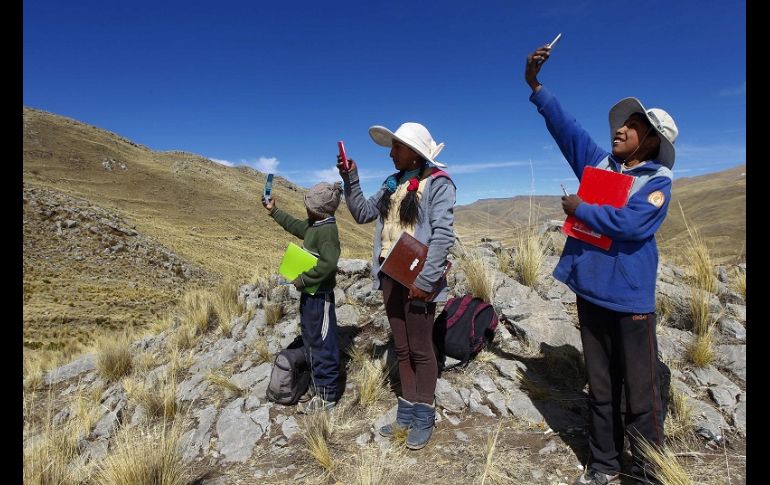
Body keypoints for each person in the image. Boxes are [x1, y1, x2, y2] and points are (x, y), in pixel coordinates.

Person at [525, 43, 679, 485]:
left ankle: (649, 471)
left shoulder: (657, 183)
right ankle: (605, 464)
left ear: (651, 140)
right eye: (622, 125)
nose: (620, 131)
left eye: (632, 127)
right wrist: (535, 86)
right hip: (591, 292)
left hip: (630, 300)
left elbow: (631, 225)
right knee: (601, 386)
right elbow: (566, 129)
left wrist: (579, 209)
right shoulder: (601, 166)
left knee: (642, 392)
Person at [337, 122, 455, 450]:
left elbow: (443, 234)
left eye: (397, 148)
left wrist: (427, 280)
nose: (391, 154)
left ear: (415, 153)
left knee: (420, 346)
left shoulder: (439, 184)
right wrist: (351, 178)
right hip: (391, 274)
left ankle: (424, 414)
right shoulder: (391, 185)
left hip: (419, 278)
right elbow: (361, 213)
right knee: (401, 346)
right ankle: (406, 412)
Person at [262, 181, 343, 413]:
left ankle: (327, 395)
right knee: (311, 338)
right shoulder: (316, 225)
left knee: (323, 343)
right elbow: (296, 226)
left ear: (317, 209)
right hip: (310, 296)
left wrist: (304, 279)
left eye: (308, 205)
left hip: (320, 297)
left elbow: (328, 264)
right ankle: (317, 384)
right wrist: (274, 211)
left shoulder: (327, 231)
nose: (305, 209)